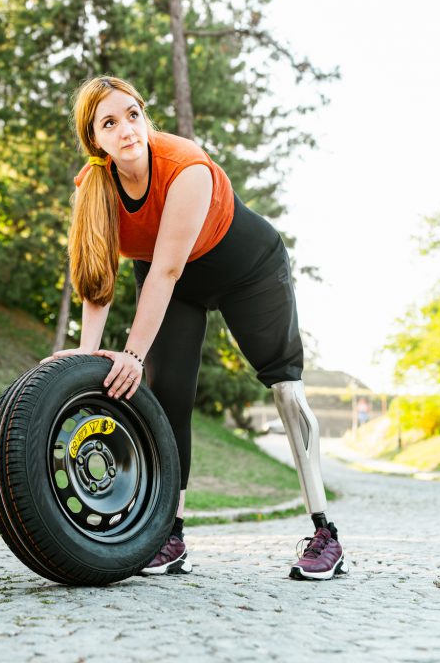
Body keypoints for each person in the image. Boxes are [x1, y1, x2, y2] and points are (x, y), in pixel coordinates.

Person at [43, 75, 347, 581]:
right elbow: (97, 275)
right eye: (110, 123)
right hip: (177, 283)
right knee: (167, 397)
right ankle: (171, 534)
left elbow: (164, 270)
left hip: (248, 270)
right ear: (94, 139)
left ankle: (325, 534)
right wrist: (83, 359)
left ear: (145, 117)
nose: (126, 130)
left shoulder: (184, 167)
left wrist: (132, 354)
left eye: (133, 115)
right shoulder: (93, 188)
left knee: (286, 391)